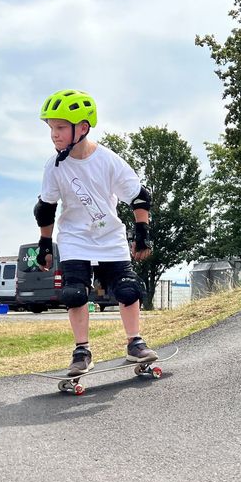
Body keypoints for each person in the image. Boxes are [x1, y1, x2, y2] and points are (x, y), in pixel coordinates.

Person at [33, 89, 158, 376]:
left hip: (109, 236)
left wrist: (142, 234)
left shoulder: (108, 160)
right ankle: (82, 351)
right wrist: (44, 244)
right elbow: (46, 208)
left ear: (83, 128)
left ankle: (135, 343)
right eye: (51, 128)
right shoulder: (53, 167)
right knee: (74, 293)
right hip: (74, 237)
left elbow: (139, 197)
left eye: (61, 127)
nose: (54, 134)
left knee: (128, 289)